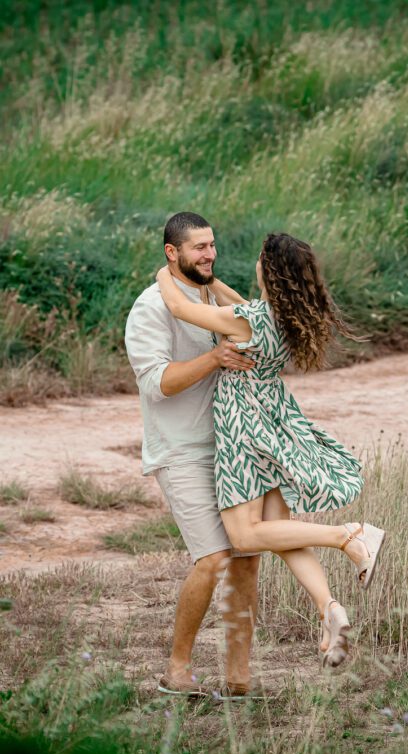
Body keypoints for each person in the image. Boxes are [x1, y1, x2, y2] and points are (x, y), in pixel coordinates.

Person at [154, 230, 386, 668]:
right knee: (281, 532)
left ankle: (348, 535)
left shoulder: (250, 319)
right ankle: (329, 608)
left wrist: (165, 274)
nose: (257, 264)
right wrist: (211, 282)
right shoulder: (279, 315)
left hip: (243, 428)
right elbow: (237, 304)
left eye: (261, 259)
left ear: (270, 271)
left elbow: (181, 308)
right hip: (273, 421)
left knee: (244, 536)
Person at [125, 212, 261, 699]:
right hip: (179, 450)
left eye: (212, 245)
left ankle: (238, 680)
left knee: (246, 558)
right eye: (199, 247)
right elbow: (157, 384)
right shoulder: (150, 308)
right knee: (214, 557)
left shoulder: (210, 299)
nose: (210, 254)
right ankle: (177, 671)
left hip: (230, 448)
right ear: (172, 252)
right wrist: (214, 358)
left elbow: (253, 320)